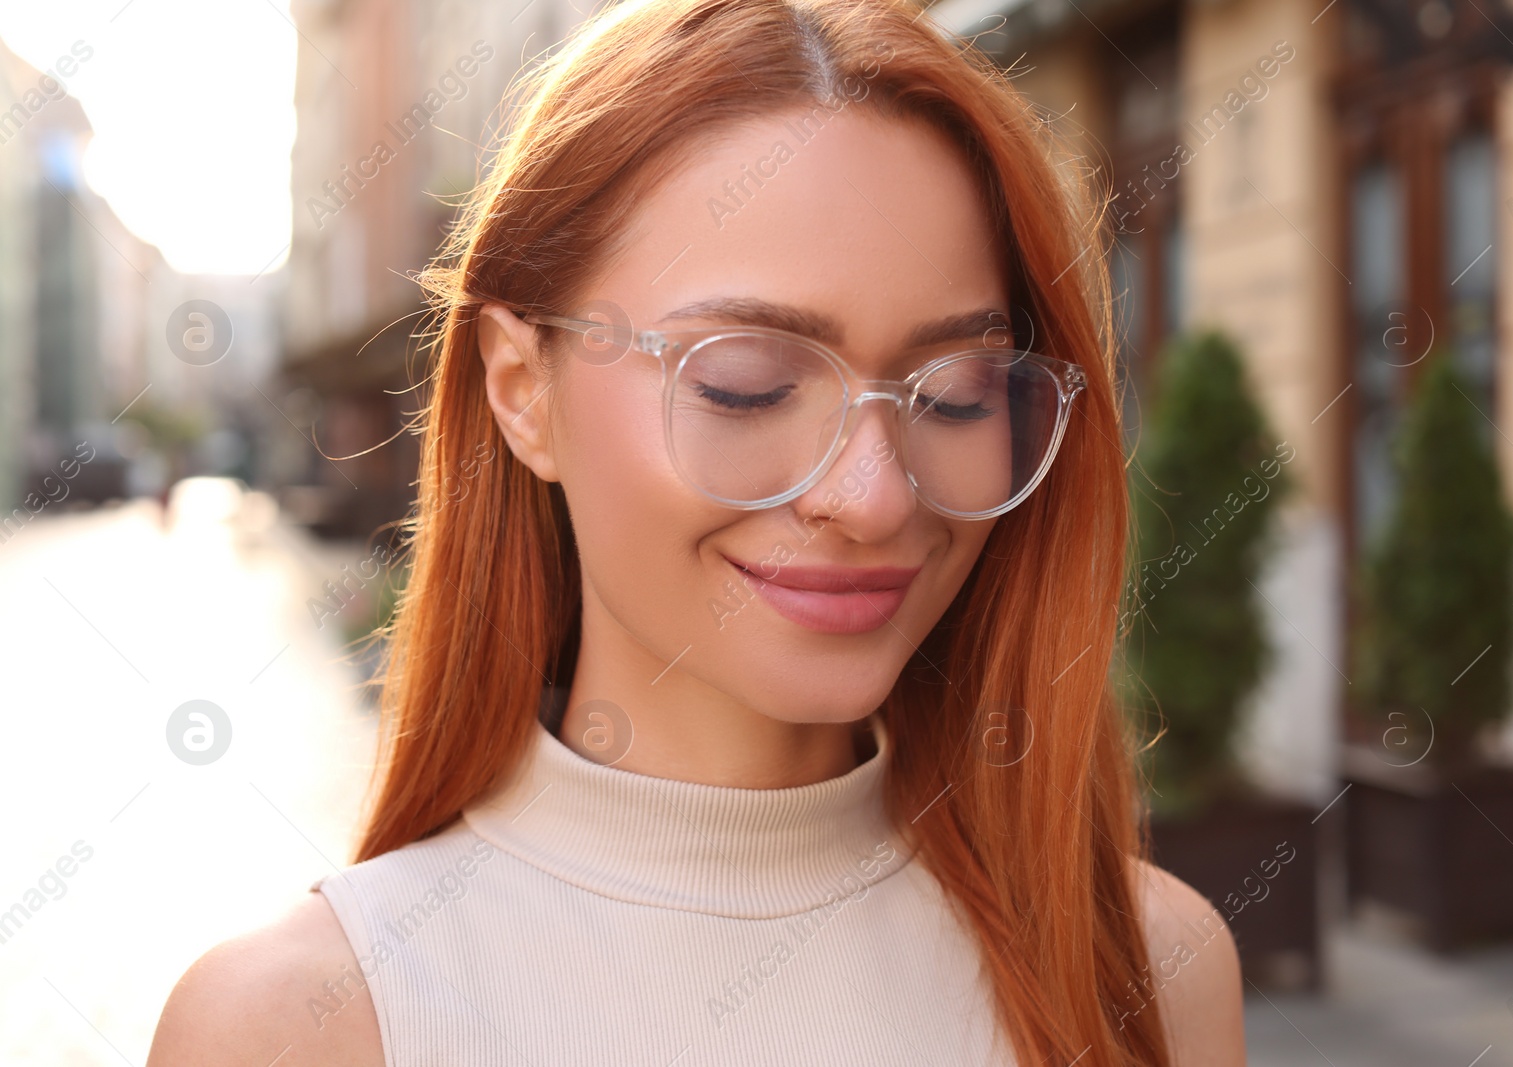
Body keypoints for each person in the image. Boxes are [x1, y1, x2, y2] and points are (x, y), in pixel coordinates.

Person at [149, 0, 1245, 1063]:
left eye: (956, 393)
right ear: (522, 390)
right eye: (747, 383)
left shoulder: (1145, 968)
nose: (871, 497)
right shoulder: (298, 1026)